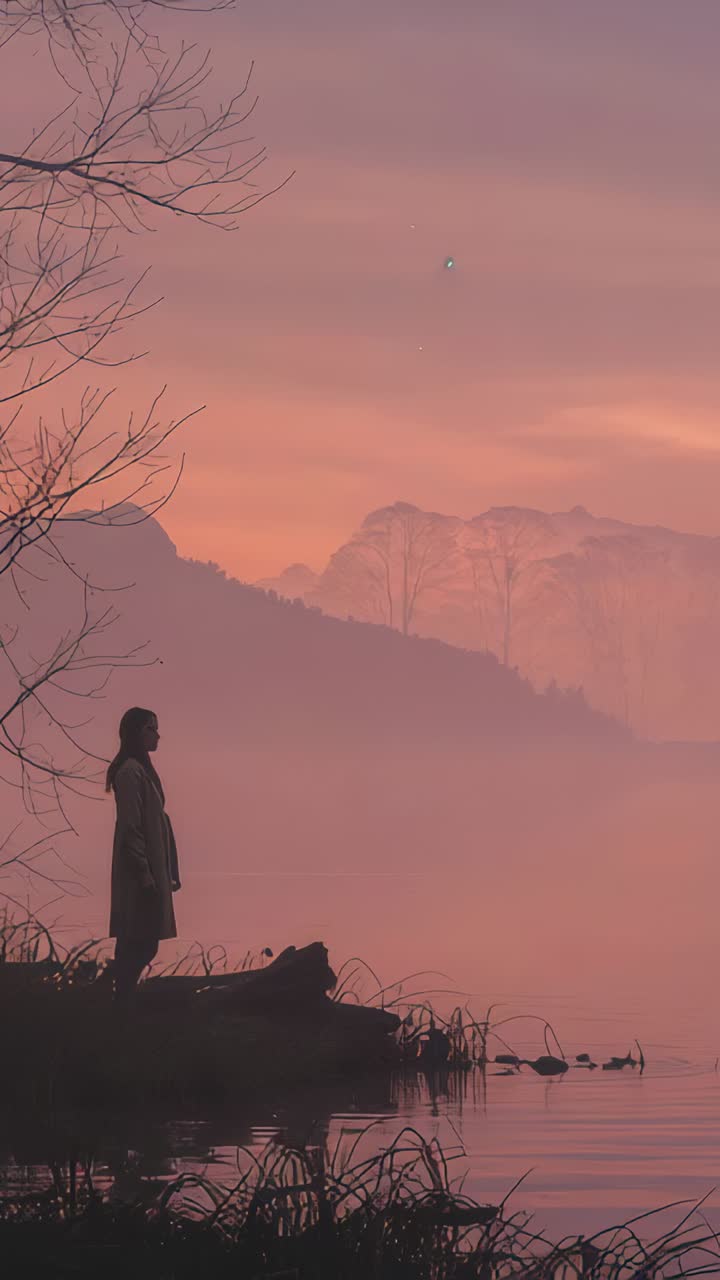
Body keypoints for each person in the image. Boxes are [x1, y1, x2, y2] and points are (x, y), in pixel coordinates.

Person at [106, 707, 181, 1005]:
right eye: (152, 728)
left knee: (139, 938)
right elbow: (130, 828)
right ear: (138, 732)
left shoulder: (141, 770)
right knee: (139, 938)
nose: (157, 735)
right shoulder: (129, 773)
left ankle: (121, 999)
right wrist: (146, 874)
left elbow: (156, 823)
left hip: (150, 868)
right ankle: (121, 1000)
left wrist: (169, 871)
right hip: (138, 872)